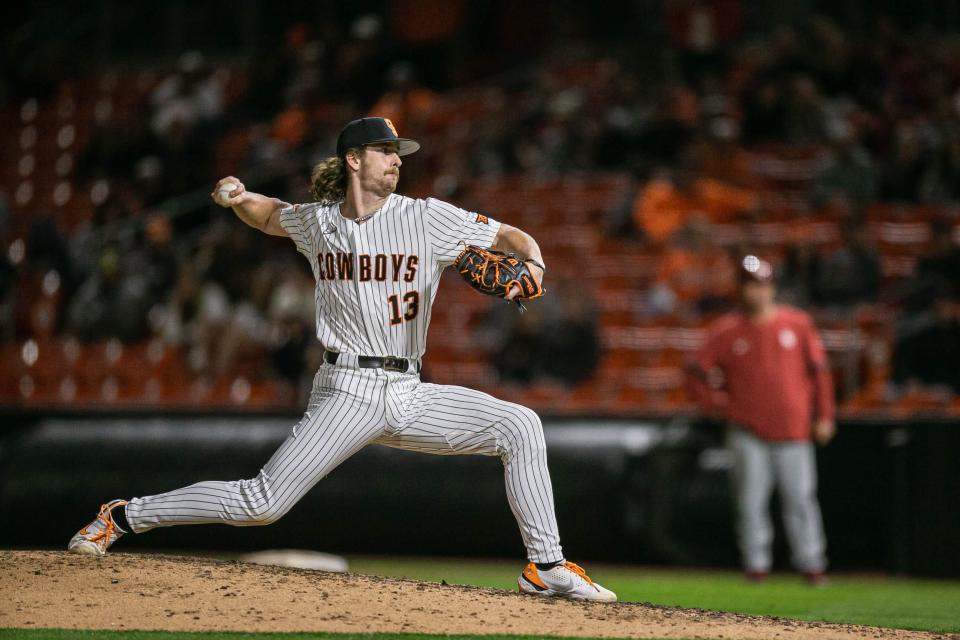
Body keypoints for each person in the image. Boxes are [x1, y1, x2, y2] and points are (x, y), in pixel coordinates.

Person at [67, 116, 616, 603]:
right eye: (386, 150)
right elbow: (270, 217)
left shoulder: (428, 217)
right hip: (347, 390)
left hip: (410, 391)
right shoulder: (319, 223)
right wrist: (238, 198)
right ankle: (122, 516)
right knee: (262, 503)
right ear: (354, 160)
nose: (397, 159)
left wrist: (536, 264)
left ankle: (545, 567)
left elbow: (510, 236)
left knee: (520, 425)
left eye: (399, 152)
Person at [686, 255, 835, 586]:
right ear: (740, 290)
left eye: (762, 285)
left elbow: (820, 374)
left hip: (794, 428)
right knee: (751, 501)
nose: (756, 292)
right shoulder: (726, 330)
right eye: (750, 286)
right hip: (747, 430)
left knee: (800, 498)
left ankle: (812, 564)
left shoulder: (797, 324)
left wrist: (824, 415)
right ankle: (756, 565)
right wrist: (716, 403)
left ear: (772, 287)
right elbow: (695, 368)